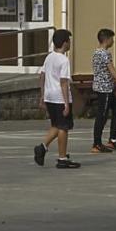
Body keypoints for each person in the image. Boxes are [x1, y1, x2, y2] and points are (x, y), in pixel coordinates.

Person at [35, 29, 80, 169]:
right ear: (65, 42)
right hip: (60, 97)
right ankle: (62, 157)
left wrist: (42, 96)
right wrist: (67, 103)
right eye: (69, 40)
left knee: (56, 125)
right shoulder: (63, 60)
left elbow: (41, 76)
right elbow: (64, 82)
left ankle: (42, 147)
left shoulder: (49, 57)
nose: (70, 43)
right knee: (63, 128)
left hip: (49, 96)